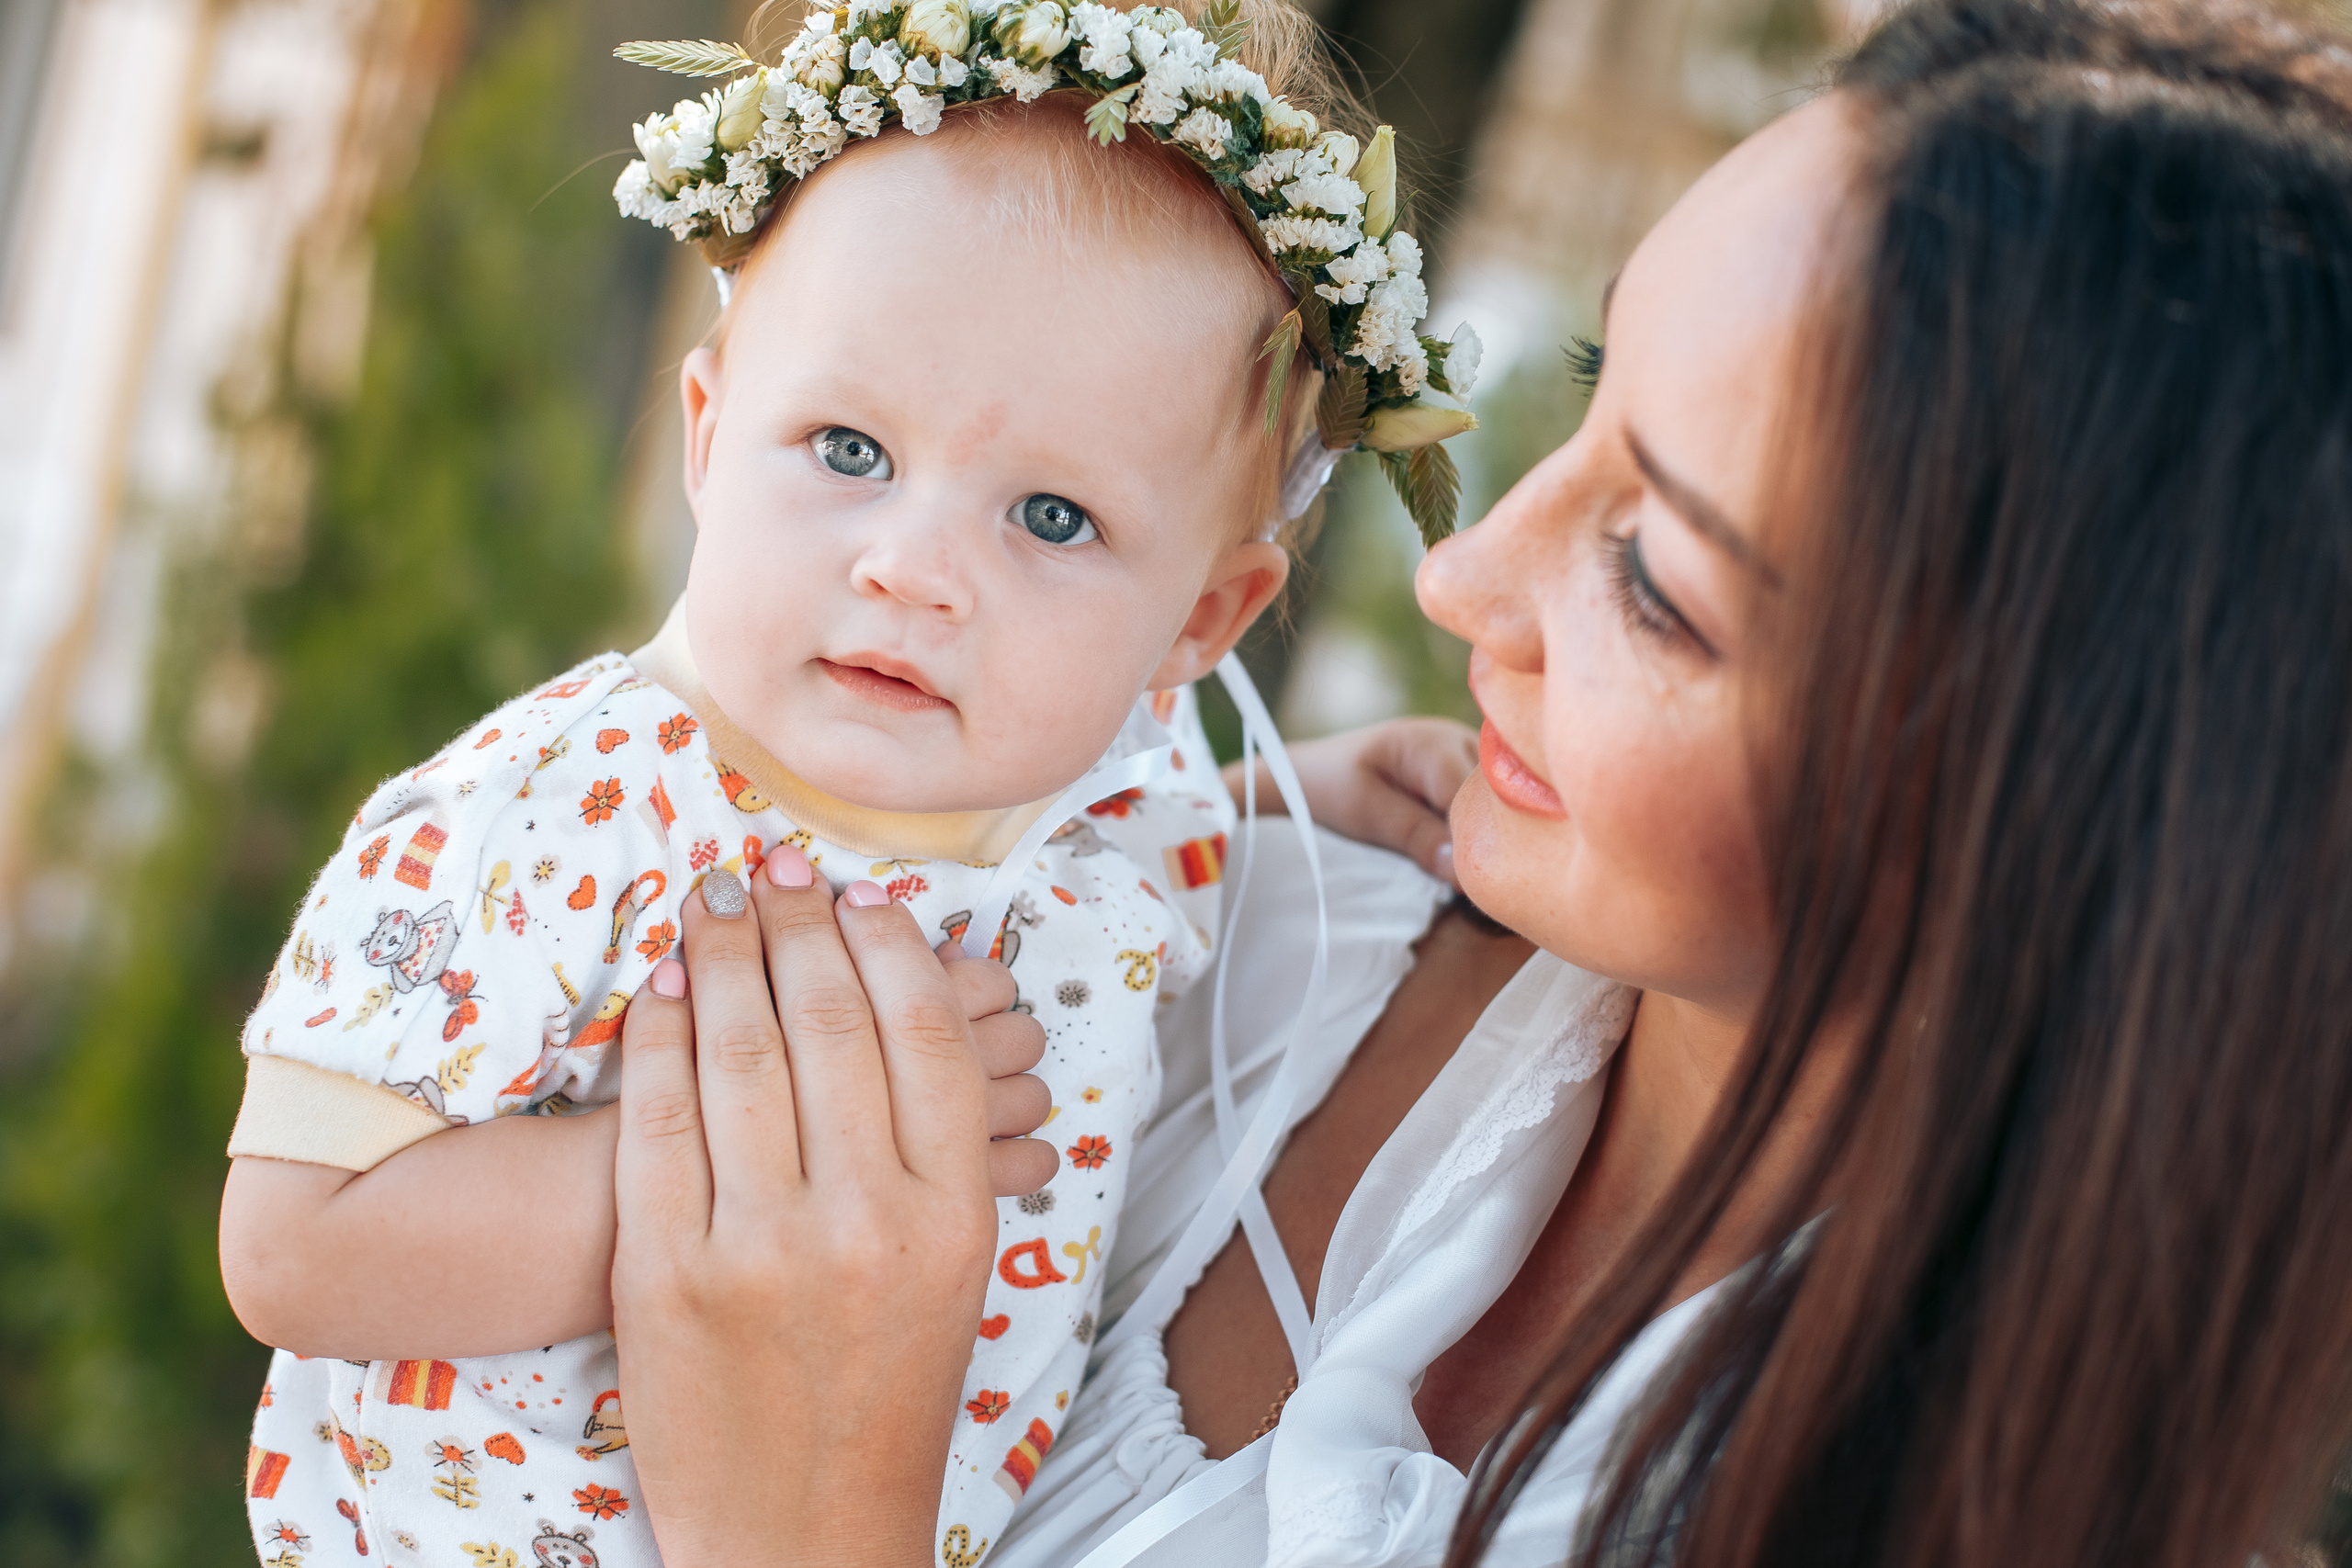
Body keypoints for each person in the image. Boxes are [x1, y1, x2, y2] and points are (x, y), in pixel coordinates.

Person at [586, 1, 2352, 1565]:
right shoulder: (1251, 937)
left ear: (2061, 811)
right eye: (1591, 393)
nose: (1466, 578)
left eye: (1658, 581)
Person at [214, 4, 1485, 1564]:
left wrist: (1306, 795)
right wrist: (791, 1157)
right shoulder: (561, 815)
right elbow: (292, 1243)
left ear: (1201, 623)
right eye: (848, 449)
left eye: (1054, 519)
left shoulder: (1102, 795)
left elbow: (1158, 823)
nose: (916, 569)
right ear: (707, 431)